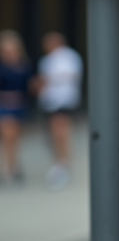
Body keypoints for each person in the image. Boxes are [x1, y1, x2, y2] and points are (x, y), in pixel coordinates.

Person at [37, 32, 83, 190]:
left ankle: (63, 164)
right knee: (53, 134)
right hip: (49, 102)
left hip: (64, 100)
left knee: (61, 132)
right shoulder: (46, 60)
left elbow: (69, 76)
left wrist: (50, 81)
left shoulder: (69, 57)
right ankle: (59, 162)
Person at [0, 31, 35, 184]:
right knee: (8, 135)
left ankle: (13, 167)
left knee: (14, 138)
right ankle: (8, 169)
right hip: (4, 104)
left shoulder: (24, 65)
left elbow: (30, 86)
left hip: (19, 105)